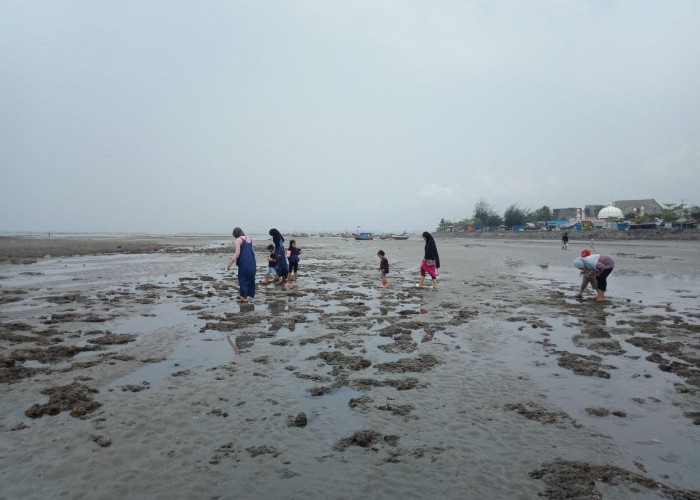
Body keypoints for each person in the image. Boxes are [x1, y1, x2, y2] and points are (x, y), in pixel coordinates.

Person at [226, 227, 256, 303]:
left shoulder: (238, 240)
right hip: (252, 262)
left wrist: (230, 263)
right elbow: (253, 252)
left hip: (244, 262)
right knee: (250, 278)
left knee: (242, 278)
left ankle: (244, 298)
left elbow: (237, 253)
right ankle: (243, 295)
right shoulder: (249, 239)